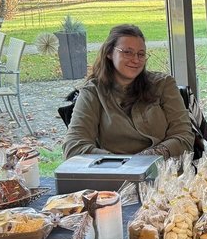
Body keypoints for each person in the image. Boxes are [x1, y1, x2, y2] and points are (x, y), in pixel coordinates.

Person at [63, 24, 194, 159]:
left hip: (165, 167)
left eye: (141, 54)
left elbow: (184, 136)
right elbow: (73, 147)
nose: (136, 60)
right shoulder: (93, 92)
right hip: (113, 170)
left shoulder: (164, 84)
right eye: (127, 52)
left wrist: (148, 157)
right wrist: (122, 163)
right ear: (109, 53)